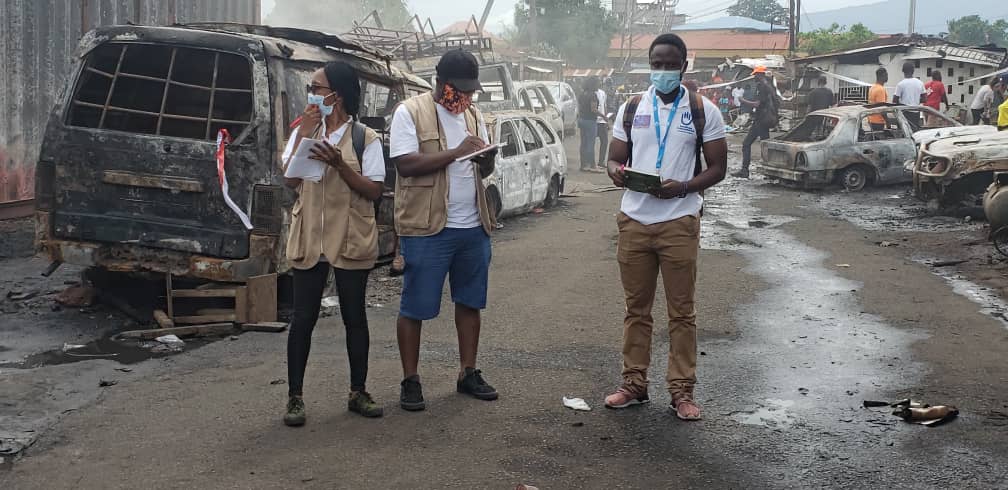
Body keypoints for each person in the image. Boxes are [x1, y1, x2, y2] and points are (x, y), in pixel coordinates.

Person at [604, 33, 728, 420]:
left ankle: (682, 391)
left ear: (683, 66)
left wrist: (685, 187)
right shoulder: (631, 107)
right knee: (636, 310)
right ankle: (634, 384)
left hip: (679, 220)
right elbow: (614, 158)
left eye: (670, 65)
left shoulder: (704, 110)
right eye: (656, 64)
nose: (662, 71)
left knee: (682, 312)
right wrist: (617, 172)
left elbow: (718, 168)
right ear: (649, 65)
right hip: (634, 220)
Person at [389, 49, 499, 412]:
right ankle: (410, 379)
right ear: (440, 83)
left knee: (470, 302)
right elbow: (406, 165)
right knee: (415, 306)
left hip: (473, 225)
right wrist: (456, 152)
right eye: (458, 90)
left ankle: (468, 372)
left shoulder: (474, 115)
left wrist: (486, 159)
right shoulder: (410, 112)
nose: (464, 97)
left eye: (470, 90)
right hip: (427, 227)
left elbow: (483, 171)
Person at [281, 62, 387, 426]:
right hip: (310, 235)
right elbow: (290, 180)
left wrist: (341, 166)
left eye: (316, 88)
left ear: (335, 96)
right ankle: (295, 398)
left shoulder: (364, 138)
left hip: (349, 236)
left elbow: (374, 190)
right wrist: (302, 135)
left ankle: (358, 392)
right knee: (303, 319)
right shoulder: (305, 130)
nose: (311, 94)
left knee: (354, 317)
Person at [734, 66, 778, 178]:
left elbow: (757, 104)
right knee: (764, 144)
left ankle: (745, 170)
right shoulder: (770, 86)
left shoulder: (762, 87)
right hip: (764, 119)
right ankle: (770, 171)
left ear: (760, 75)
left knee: (749, 144)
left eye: (755, 75)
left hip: (761, 119)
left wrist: (742, 100)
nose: (754, 77)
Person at [578, 78, 605, 172]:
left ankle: (584, 165)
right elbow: (593, 109)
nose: (599, 85)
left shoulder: (582, 94)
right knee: (590, 144)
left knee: (583, 143)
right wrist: (603, 116)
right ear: (593, 84)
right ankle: (592, 165)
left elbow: (580, 107)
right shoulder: (593, 95)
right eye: (598, 83)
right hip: (590, 121)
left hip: (582, 120)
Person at [596, 79, 610, 170]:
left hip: (602, 121)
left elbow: (604, 106)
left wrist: (606, 119)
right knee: (591, 143)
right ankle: (590, 162)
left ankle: (601, 161)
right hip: (594, 121)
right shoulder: (592, 93)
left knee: (604, 142)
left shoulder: (602, 93)